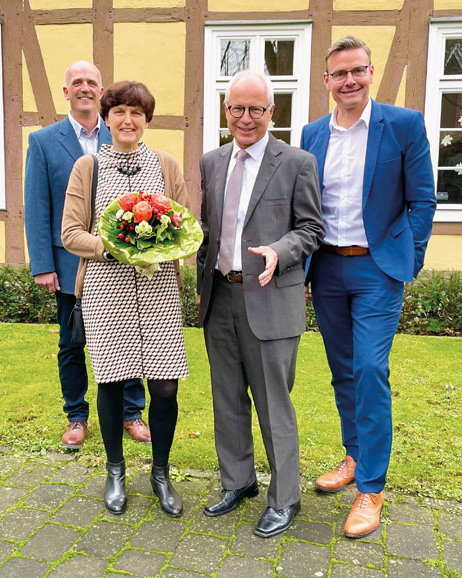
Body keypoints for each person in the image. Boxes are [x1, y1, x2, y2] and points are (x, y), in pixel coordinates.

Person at [300, 35, 436, 538]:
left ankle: (372, 488)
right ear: (328, 81)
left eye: (357, 70)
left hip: (377, 269)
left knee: (371, 369)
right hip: (328, 268)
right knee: (343, 372)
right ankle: (355, 456)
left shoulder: (402, 124)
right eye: (339, 74)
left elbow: (423, 201)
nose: (349, 81)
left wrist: (407, 260)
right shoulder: (313, 134)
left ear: (371, 72)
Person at [197, 70, 324, 538]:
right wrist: (200, 282)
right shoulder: (211, 162)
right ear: (225, 110)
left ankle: (284, 499)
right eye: (236, 108)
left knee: (274, 404)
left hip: (271, 298)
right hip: (220, 297)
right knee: (226, 399)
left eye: (255, 109)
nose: (245, 118)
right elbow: (209, 233)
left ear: (272, 112)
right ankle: (238, 482)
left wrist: (279, 251)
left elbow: (312, 230)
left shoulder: (297, 163)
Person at [61, 80, 189, 517]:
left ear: (147, 120)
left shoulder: (166, 164)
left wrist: (163, 242)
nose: (128, 120)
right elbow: (70, 233)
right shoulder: (88, 166)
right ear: (107, 118)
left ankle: (160, 472)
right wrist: (111, 245)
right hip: (105, 288)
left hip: (157, 292)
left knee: (166, 386)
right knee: (112, 381)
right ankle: (115, 470)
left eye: (137, 113)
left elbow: (189, 229)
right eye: (119, 112)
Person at [24, 61, 150, 451]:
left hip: (122, 266)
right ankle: (76, 416)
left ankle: (132, 413)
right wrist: (43, 264)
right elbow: (36, 206)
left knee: (129, 339)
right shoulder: (44, 141)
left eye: (91, 82)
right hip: (68, 263)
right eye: (76, 82)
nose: (84, 88)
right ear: (66, 92)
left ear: (101, 92)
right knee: (72, 342)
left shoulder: (119, 133)